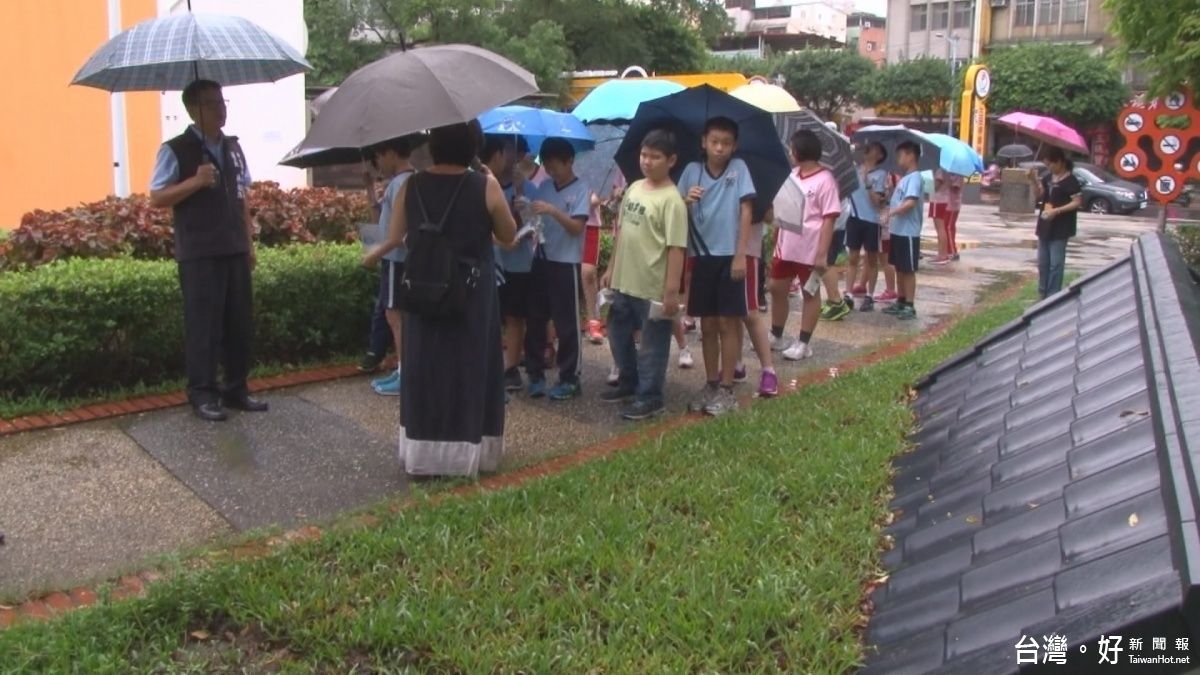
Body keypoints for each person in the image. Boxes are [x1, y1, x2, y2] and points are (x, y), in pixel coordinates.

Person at [363, 121, 516, 477]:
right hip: (472, 296)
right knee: (469, 368)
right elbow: (508, 235)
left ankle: (424, 454)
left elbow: (397, 235)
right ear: (472, 148)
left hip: (423, 290)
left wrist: (372, 255)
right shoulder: (484, 186)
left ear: (433, 148)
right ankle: (471, 453)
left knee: (426, 367)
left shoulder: (411, 186)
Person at [149, 79, 267, 422]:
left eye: (221, 100)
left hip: (233, 246)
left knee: (239, 322)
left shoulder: (232, 147)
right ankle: (202, 392)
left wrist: (249, 242)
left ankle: (235, 387)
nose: (220, 108)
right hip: (199, 251)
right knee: (204, 325)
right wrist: (195, 182)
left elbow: (243, 196)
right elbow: (157, 196)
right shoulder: (175, 149)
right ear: (192, 109)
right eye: (211, 103)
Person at [600, 129, 688, 420]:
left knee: (652, 344)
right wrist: (611, 268)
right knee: (617, 333)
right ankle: (628, 382)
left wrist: (671, 291)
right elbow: (622, 231)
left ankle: (650, 396)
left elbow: (676, 248)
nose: (647, 161)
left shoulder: (672, 200)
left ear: (671, 160)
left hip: (652, 284)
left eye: (655, 156)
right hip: (624, 280)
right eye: (644, 155)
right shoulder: (635, 187)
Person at [678, 117, 756, 417]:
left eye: (726, 142)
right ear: (704, 142)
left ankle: (726, 389)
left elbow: (746, 210)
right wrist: (687, 200)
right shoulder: (691, 171)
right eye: (714, 142)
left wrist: (741, 255)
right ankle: (710, 383)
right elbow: (674, 207)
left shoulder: (739, 170)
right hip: (702, 256)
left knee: (728, 323)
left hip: (730, 257)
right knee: (707, 324)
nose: (720, 148)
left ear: (734, 145)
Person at [524, 138, 590, 401]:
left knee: (567, 324)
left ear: (569, 161)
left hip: (566, 263)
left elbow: (576, 228)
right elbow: (534, 221)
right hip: (541, 259)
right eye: (547, 164)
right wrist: (525, 209)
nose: (551, 169)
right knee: (535, 319)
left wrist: (553, 210)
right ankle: (535, 374)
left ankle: (570, 377)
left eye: (555, 164)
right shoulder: (543, 186)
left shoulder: (581, 189)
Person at [768, 130, 841, 361]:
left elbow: (829, 218)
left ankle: (803, 342)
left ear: (800, 150)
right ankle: (776, 334)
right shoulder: (791, 175)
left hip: (810, 249)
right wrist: (776, 232)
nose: (790, 152)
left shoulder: (826, 180)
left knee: (809, 293)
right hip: (785, 246)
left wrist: (822, 254)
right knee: (776, 288)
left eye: (791, 148)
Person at [481, 136, 538, 394]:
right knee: (491, 314)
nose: (511, 156)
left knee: (515, 315)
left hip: (518, 263)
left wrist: (521, 197)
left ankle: (511, 367)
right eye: (507, 151)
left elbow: (536, 225)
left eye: (514, 151)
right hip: (491, 261)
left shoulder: (525, 187)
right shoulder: (481, 186)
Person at [365, 136, 418, 396]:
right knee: (395, 316)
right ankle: (402, 369)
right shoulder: (402, 182)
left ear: (392, 153)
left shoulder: (403, 183)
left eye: (379, 155)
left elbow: (397, 235)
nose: (378, 162)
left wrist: (373, 255)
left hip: (397, 259)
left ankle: (407, 374)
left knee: (396, 318)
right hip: (396, 259)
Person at [732, 206, 779, 397]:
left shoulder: (754, 181)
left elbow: (769, 216)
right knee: (730, 313)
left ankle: (768, 370)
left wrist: (755, 206)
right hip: (719, 250)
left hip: (746, 254)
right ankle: (735, 364)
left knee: (750, 312)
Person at [879, 141, 924, 321]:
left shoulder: (915, 178)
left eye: (901, 155)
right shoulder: (904, 178)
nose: (898, 160)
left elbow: (910, 202)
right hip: (898, 230)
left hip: (908, 232)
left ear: (911, 155)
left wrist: (892, 212)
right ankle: (901, 299)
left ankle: (910, 305)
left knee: (908, 269)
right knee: (899, 267)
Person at [1030, 147, 1082, 299]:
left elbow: (1077, 202)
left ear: (1059, 162)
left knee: (1056, 264)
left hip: (1061, 227)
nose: (1049, 168)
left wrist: (1057, 211)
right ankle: (1042, 292)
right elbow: (1039, 196)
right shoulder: (1047, 178)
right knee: (1043, 263)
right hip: (1045, 224)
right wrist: (1033, 181)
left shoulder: (1071, 181)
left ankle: (1053, 294)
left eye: (1050, 164)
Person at [582, 172, 626, 344]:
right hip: (565, 226)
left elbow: (603, 198)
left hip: (590, 224)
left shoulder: (604, 169)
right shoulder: (584, 166)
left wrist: (600, 198)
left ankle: (594, 320)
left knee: (588, 273)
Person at [845, 142, 888, 312]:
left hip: (872, 220)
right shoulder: (855, 168)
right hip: (854, 217)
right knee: (853, 257)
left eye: (874, 147)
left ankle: (869, 295)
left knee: (871, 258)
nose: (869, 148)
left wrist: (868, 182)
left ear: (880, 155)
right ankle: (848, 294)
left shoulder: (881, 174)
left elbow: (877, 201)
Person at [819, 200, 853, 321]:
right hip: (835, 214)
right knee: (829, 258)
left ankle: (836, 302)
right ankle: (832, 299)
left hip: (832, 216)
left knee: (827, 260)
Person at [929, 169, 964, 264]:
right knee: (944, 227)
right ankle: (944, 253)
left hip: (940, 199)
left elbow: (937, 185)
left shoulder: (941, 168)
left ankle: (946, 254)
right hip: (945, 200)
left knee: (943, 228)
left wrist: (928, 185)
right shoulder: (948, 169)